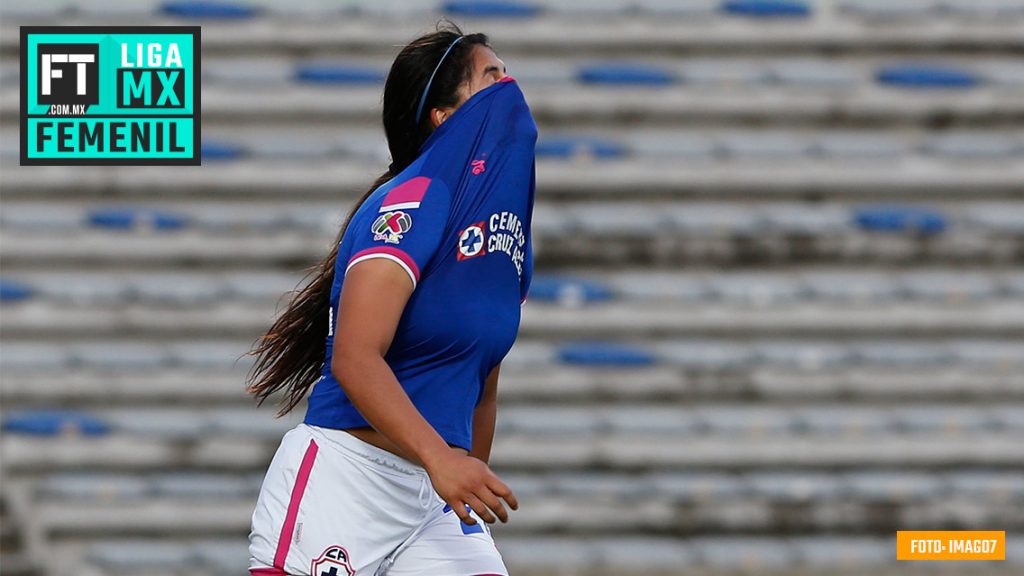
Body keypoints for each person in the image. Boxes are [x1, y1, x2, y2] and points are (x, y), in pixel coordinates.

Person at [244, 21, 537, 576]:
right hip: (346, 483)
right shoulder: (416, 199)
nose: (510, 85)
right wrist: (440, 460)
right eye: (490, 76)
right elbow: (355, 357)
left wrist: (465, 471)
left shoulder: (508, 235)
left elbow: (482, 382)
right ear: (444, 117)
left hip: (431, 497)